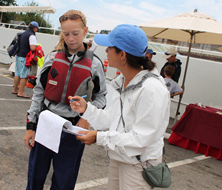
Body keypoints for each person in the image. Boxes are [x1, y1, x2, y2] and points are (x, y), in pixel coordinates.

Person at [69, 24, 170, 190]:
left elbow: (140, 140)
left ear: (122, 55)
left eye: (110, 48)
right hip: (120, 156)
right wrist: (86, 109)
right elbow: (112, 119)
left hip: (139, 165)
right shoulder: (121, 82)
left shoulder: (152, 90)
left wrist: (98, 137)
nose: (106, 51)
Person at [24, 10, 107, 190]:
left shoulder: (95, 64)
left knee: (64, 180)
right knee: (35, 175)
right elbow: (39, 92)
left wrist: (87, 118)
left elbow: (101, 96)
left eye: (75, 33)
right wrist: (31, 126)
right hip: (46, 122)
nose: (71, 38)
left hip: (73, 129)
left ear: (85, 31)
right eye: (66, 33)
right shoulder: (53, 58)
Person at [12, 21, 39, 98]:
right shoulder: (32, 36)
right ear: (34, 28)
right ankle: (20, 93)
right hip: (25, 57)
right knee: (24, 76)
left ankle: (15, 90)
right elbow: (32, 48)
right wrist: (37, 48)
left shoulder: (23, 34)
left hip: (18, 55)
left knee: (17, 73)